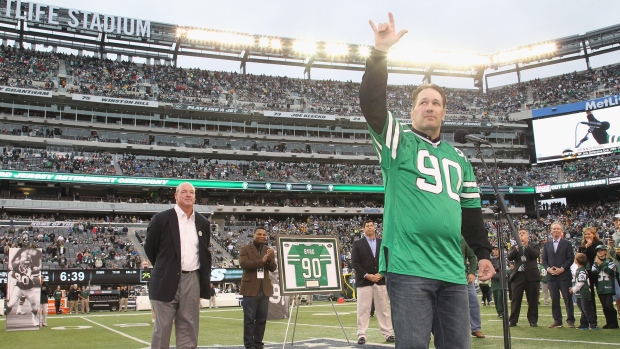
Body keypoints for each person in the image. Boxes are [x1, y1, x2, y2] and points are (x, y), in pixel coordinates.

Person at [359, 13, 494, 349]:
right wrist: (379, 53)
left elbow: (471, 212)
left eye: (436, 103)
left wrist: (483, 253)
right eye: (423, 102)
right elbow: (372, 105)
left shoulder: (460, 159)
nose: (430, 107)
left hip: (452, 270)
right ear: (413, 110)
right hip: (409, 267)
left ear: (444, 112)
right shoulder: (398, 141)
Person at [144, 182, 212, 349]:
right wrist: (165, 268)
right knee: (162, 329)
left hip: (192, 279)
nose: (188, 195)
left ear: (195, 197)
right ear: (176, 196)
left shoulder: (203, 222)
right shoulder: (161, 219)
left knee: (189, 329)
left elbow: (203, 252)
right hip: (166, 279)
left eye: (191, 192)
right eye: (184, 192)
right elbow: (150, 248)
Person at [351, 219, 395, 344]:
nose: (370, 227)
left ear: (375, 228)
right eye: (367, 226)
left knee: (384, 308)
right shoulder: (358, 244)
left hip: (380, 280)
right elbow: (355, 262)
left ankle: (388, 334)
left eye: (371, 225)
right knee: (363, 309)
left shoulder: (382, 242)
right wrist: (366, 275)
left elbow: (388, 259)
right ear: (363, 228)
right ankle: (361, 335)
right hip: (364, 281)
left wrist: (381, 274)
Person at [239, 227, 277, 349]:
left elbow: (273, 268)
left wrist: (270, 258)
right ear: (254, 235)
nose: (262, 236)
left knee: (262, 320)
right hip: (250, 289)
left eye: (264, 235)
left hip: (264, 289)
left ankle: (258, 343)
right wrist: (263, 260)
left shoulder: (268, 250)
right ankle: (249, 345)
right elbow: (244, 264)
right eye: (259, 234)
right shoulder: (245, 249)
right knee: (249, 320)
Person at [542, 222, 575, 328]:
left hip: (564, 276)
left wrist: (562, 269)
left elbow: (571, 258)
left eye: (558, 229)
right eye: (554, 229)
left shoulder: (567, 244)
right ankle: (557, 320)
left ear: (561, 231)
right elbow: (544, 259)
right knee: (555, 299)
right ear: (551, 231)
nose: (556, 230)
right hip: (552, 276)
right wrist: (548, 269)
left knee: (567, 298)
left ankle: (570, 320)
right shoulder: (547, 244)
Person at [507, 229, 540, 327]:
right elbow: (509, 257)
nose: (521, 236)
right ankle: (513, 320)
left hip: (532, 275)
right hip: (518, 275)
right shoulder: (515, 247)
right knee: (516, 299)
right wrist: (517, 248)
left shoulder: (534, 245)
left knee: (532, 299)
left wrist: (526, 246)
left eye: (523, 234)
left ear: (528, 235)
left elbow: (535, 255)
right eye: (520, 234)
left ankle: (533, 320)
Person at [6, 248, 41, 326]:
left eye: (26, 264)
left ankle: (34, 318)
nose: (24, 266)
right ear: (20, 262)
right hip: (18, 288)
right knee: (10, 304)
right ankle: (5, 316)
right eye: (23, 264)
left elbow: (38, 281)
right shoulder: (15, 265)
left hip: (29, 289)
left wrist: (33, 278)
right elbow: (10, 271)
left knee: (33, 305)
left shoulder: (33, 269)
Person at [460, 237, 484, 338]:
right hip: (446, 275)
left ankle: (476, 328)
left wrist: (472, 273)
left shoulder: (463, 240)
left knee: (473, 301)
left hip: (463, 275)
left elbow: (472, 257)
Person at [590, 244, 619, 329]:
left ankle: (614, 323)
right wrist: (599, 266)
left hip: (609, 286)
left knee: (609, 305)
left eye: (601, 250)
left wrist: (601, 265)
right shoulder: (595, 263)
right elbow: (594, 274)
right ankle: (608, 322)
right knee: (604, 306)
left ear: (605, 251)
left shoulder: (610, 261)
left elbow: (609, 271)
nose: (600, 252)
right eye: (598, 251)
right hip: (601, 287)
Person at [570, 253, 598, 330]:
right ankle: (584, 323)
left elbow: (581, 282)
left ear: (576, 260)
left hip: (583, 293)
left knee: (586, 309)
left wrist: (573, 289)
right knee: (582, 309)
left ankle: (592, 323)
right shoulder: (579, 270)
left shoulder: (582, 271)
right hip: (580, 293)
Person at [490, 246, 505, 318]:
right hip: (493, 280)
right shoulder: (491, 259)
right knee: (495, 297)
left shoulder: (502, 259)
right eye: (494, 249)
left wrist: (493, 267)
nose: (495, 251)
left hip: (500, 280)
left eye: (497, 249)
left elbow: (500, 266)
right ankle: (499, 312)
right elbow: (489, 267)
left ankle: (502, 311)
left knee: (500, 296)